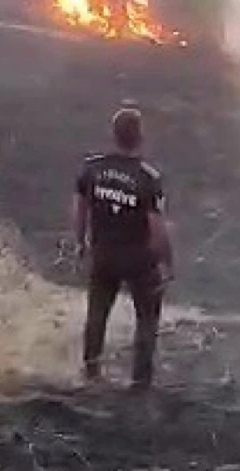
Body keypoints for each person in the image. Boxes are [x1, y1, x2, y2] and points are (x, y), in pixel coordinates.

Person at [72, 103, 174, 390]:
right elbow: (157, 228)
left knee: (96, 316)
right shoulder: (148, 178)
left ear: (113, 135)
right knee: (147, 319)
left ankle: (91, 372)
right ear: (140, 136)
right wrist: (166, 263)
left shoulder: (92, 168)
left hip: (103, 254)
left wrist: (81, 242)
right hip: (139, 259)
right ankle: (141, 380)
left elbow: (79, 209)